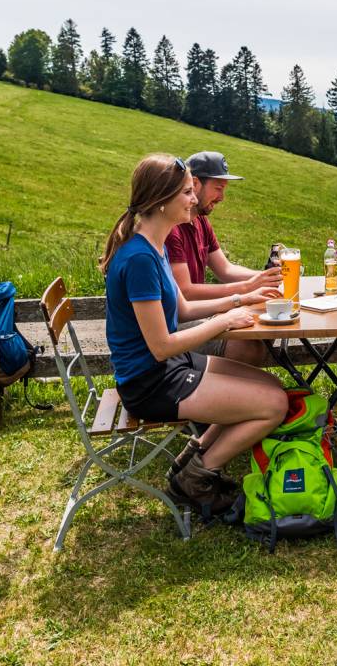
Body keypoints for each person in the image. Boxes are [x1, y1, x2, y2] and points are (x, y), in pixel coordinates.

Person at [99, 154, 287, 515]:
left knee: (271, 386)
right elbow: (160, 346)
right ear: (162, 201)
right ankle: (196, 478)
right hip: (149, 382)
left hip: (168, 367)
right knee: (273, 405)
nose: (192, 199)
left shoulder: (153, 245)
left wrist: (241, 298)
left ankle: (192, 455)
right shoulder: (139, 259)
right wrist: (225, 321)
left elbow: (183, 309)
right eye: (186, 192)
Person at [166, 150, 282, 365]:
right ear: (195, 183)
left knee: (262, 328)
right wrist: (247, 288)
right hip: (176, 324)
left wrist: (267, 277)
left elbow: (225, 270)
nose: (221, 198)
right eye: (218, 188)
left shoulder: (200, 221)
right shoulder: (172, 228)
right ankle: (220, 382)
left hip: (198, 313)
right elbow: (186, 291)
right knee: (248, 345)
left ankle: (232, 383)